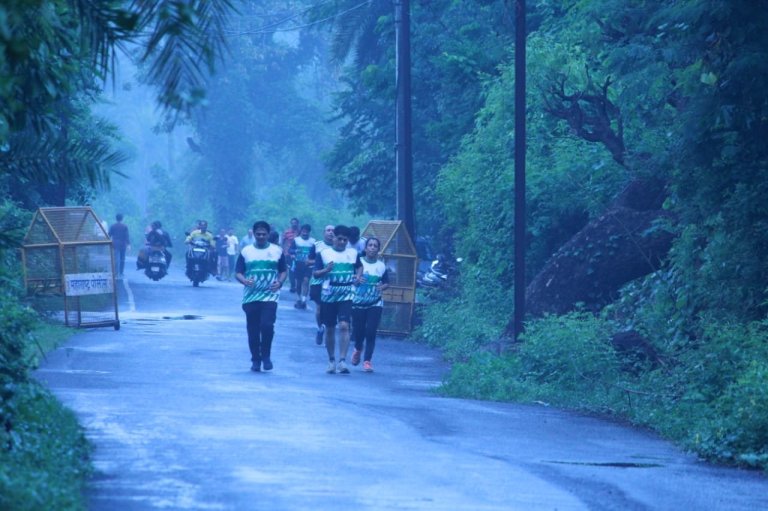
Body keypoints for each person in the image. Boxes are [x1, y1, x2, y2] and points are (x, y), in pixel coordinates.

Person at [234, 221, 287, 372]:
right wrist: (244, 281)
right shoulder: (246, 251)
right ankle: (255, 359)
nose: (261, 237)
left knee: (267, 325)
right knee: (253, 329)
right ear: (254, 234)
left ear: (268, 234)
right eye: (258, 234)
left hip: (270, 295)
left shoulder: (277, 251)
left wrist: (280, 282)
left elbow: (283, 270)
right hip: (251, 296)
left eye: (264, 234)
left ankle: (266, 355)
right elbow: (238, 272)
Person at [313, 225, 361, 374]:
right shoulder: (323, 253)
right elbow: (315, 273)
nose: (342, 242)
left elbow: (359, 267)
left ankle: (342, 361)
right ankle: (331, 360)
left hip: (346, 293)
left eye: (345, 240)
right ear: (333, 238)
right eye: (339, 239)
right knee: (330, 328)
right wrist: (325, 270)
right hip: (329, 294)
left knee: (344, 325)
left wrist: (358, 277)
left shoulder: (353, 253)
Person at [350, 237, 389, 373]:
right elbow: (350, 279)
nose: (372, 248)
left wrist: (382, 287)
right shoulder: (358, 263)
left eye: (375, 246)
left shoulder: (381, 266)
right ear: (365, 248)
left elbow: (386, 282)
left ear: (378, 249)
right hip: (358, 303)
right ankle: (358, 348)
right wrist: (356, 280)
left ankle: (367, 361)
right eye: (370, 245)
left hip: (375, 303)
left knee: (371, 331)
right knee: (359, 330)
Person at [308, 224, 336, 345]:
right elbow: (308, 261)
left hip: (333, 282)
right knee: (319, 307)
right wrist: (321, 261)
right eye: (328, 230)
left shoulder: (339, 247)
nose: (331, 232)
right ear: (324, 233)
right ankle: (320, 328)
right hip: (318, 281)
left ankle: (328, 330)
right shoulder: (317, 245)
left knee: (330, 308)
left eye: (333, 231)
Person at [290, 224, 316, 310]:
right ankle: (298, 299)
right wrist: (294, 253)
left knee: (306, 281)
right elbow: (290, 250)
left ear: (309, 232)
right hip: (298, 263)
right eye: (303, 231)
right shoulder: (296, 240)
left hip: (308, 264)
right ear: (301, 231)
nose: (305, 233)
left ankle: (304, 300)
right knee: (298, 282)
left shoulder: (313, 241)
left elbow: (316, 253)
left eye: (307, 231)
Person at [108, 213, 131, 278]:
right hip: (123, 244)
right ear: (122, 219)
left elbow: (109, 235)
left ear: (116, 218)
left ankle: (116, 273)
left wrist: (108, 242)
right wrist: (128, 244)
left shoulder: (113, 226)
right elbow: (127, 236)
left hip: (115, 244)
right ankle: (121, 272)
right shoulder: (125, 226)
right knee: (122, 259)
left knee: (116, 259)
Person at [282, 218, 300, 292]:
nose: (294, 224)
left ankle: (298, 285)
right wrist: (283, 251)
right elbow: (283, 242)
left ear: (298, 223)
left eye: (295, 223)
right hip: (288, 254)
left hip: (299, 254)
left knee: (298, 270)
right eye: (292, 223)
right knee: (291, 270)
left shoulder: (300, 232)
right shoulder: (287, 232)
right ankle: (293, 286)